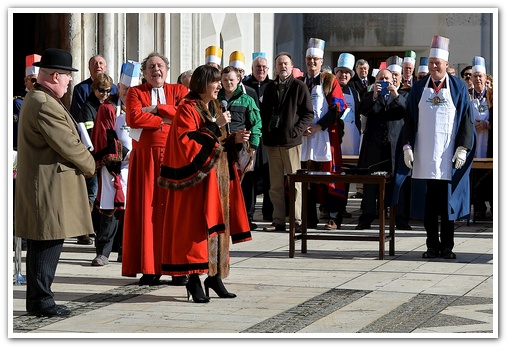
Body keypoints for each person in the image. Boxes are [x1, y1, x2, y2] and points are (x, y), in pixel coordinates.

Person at [158, 64, 253, 303]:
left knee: (220, 228)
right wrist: (215, 125)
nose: (219, 85)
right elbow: (186, 142)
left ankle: (215, 275)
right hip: (197, 182)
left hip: (219, 178)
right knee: (197, 229)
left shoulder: (216, 105)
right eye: (215, 82)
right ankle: (193, 279)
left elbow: (218, 141)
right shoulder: (187, 109)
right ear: (202, 84)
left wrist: (234, 139)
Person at [15, 48, 95, 317]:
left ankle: (41, 298)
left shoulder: (39, 98)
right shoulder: (44, 103)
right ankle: (41, 301)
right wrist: (90, 163)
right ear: (55, 75)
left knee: (45, 242)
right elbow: (69, 145)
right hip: (48, 188)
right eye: (68, 76)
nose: (70, 80)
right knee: (47, 242)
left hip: (48, 185)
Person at [397, 35, 475, 259]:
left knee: (447, 204)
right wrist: (407, 146)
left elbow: (466, 120)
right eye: (431, 63)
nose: (433, 66)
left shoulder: (459, 87)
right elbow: (410, 119)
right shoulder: (419, 87)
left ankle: (448, 246)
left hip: (449, 156)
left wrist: (463, 148)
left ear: (446, 65)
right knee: (430, 204)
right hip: (425, 155)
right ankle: (432, 245)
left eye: (437, 63)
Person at [123, 52, 188, 285]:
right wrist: (163, 120)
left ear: (167, 70)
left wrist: (155, 109)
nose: (156, 70)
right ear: (144, 72)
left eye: (160, 66)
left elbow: (183, 116)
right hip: (145, 160)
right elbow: (133, 118)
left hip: (172, 156)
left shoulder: (179, 90)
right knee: (147, 212)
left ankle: (178, 268)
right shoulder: (135, 92)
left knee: (173, 212)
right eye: (151, 67)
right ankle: (150, 268)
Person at [89, 60, 141, 266]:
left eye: (133, 89)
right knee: (109, 208)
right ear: (118, 87)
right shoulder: (108, 108)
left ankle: (125, 250)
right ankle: (103, 251)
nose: (129, 92)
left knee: (131, 210)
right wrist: (125, 153)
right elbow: (104, 135)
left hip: (137, 165)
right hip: (114, 166)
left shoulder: (143, 108)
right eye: (126, 88)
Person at [260, 52, 314, 232]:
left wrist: (296, 131)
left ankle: (297, 220)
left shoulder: (299, 86)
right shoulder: (269, 87)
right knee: (275, 185)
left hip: (291, 142)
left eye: (286, 64)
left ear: (291, 66)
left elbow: (308, 113)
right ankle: (278, 220)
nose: (283, 67)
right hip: (272, 142)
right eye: (280, 64)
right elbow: (264, 112)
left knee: (295, 183)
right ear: (275, 67)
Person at [70, 54, 118, 245]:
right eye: (101, 91)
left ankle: (108, 236)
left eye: (108, 91)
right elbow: (84, 128)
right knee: (91, 192)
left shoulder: (112, 104)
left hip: (111, 154)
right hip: (93, 155)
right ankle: (84, 230)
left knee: (109, 194)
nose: (105, 94)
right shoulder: (88, 105)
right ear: (93, 89)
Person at [299, 38, 347, 230]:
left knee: (330, 175)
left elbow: (339, 107)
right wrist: (301, 127)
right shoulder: (300, 81)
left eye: (315, 59)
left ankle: (335, 218)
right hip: (304, 137)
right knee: (306, 176)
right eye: (309, 59)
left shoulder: (329, 80)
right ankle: (309, 218)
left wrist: (319, 127)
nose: (312, 62)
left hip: (325, 136)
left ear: (321, 61)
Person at [354, 66, 407, 230]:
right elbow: (364, 109)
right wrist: (376, 95)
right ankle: (367, 217)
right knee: (371, 185)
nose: (384, 82)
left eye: (387, 80)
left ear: (394, 81)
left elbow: (404, 111)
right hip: (374, 148)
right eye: (380, 80)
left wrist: (395, 94)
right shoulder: (369, 95)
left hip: (394, 147)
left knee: (397, 184)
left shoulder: (401, 96)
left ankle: (400, 218)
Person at [218, 65, 262, 230]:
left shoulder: (247, 100)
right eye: (225, 80)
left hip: (242, 150)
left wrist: (254, 149)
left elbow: (256, 124)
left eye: (231, 80)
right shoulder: (216, 100)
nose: (228, 83)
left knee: (243, 185)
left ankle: (243, 220)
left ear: (238, 80)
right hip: (222, 149)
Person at [243, 52, 274, 222]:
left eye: (263, 67)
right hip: (252, 137)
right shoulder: (246, 86)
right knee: (251, 176)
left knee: (269, 176)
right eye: (257, 67)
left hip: (268, 138)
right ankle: (249, 214)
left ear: (268, 69)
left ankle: (269, 213)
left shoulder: (273, 85)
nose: (261, 70)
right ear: (252, 69)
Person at [333, 53, 362, 222]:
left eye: (347, 73)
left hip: (352, 139)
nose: (344, 75)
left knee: (348, 175)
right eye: (341, 72)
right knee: (334, 174)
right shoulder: (329, 89)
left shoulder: (354, 92)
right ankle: (331, 208)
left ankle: (342, 207)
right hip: (336, 138)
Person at [468, 56, 493, 221]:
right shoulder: (467, 95)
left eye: (480, 76)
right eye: (475, 76)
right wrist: (472, 125)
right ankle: (478, 208)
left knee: (490, 175)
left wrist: (488, 124)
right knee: (474, 176)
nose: (478, 79)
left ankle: (493, 205)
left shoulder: (494, 95)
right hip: (473, 142)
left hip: (490, 142)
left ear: (485, 78)